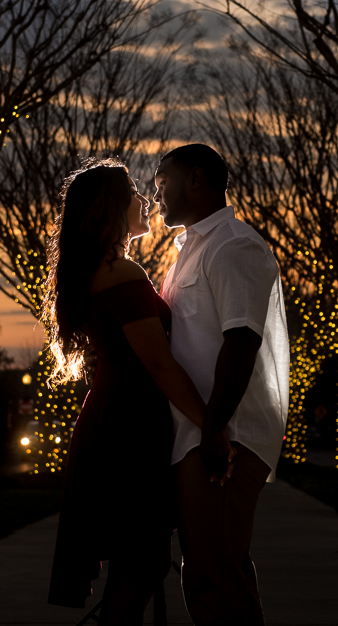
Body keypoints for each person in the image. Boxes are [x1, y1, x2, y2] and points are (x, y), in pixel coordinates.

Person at [45, 158, 233, 624]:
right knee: (145, 557)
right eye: (134, 191)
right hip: (128, 424)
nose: (147, 200)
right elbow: (159, 365)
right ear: (111, 207)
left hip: (116, 415)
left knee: (136, 557)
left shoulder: (104, 271)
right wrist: (211, 426)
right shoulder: (121, 275)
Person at [154, 144, 290, 626]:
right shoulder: (190, 251)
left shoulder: (234, 244)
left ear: (195, 178)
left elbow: (241, 341)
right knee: (212, 574)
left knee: (216, 579)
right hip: (199, 434)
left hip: (224, 439)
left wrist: (214, 429)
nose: (156, 195)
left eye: (161, 182)